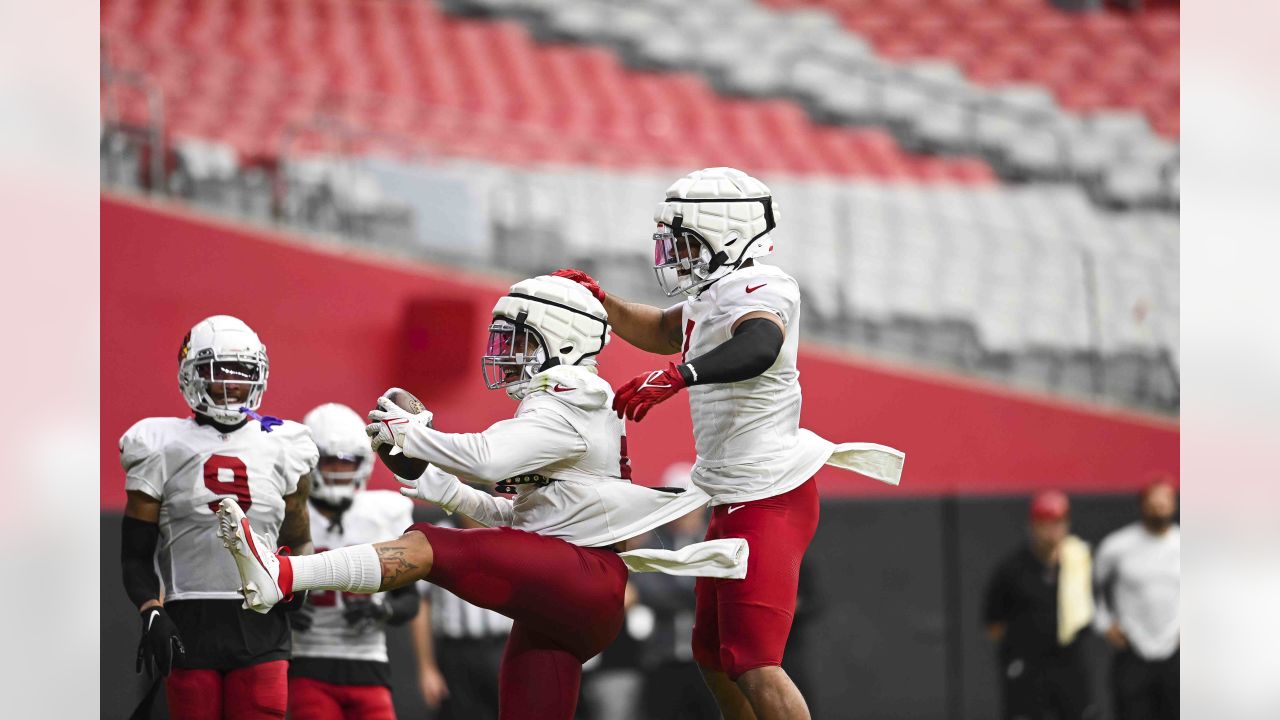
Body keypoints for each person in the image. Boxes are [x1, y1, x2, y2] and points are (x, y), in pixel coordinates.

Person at [216, 275, 748, 720]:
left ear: (560, 339)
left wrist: (413, 433)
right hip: (569, 588)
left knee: (427, 545)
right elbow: (523, 521)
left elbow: (487, 458)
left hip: (581, 577)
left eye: (518, 339)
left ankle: (283, 575)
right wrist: (447, 490)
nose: (504, 352)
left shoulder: (571, 397)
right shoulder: (557, 404)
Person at [551, 166, 905, 720]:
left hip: (769, 492)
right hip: (732, 492)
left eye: (687, 241)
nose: (676, 255)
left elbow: (760, 344)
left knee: (754, 659)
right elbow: (665, 329)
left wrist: (680, 376)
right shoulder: (714, 292)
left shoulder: (765, 286)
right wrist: (603, 303)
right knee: (714, 655)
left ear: (729, 235)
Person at [119, 314, 317, 719]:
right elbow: (135, 555)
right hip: (189, 622)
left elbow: (299, 539)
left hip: (263, 622)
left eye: (242, 373)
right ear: (191, 375)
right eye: (219, 373)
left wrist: (303, 585)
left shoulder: (285, 444)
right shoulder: (159, 444)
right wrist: (150, 609)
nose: (231, 385)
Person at [288, 403, 420, 720]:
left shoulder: (385, 513)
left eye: (348, 462)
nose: (339, 470)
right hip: (307, 660)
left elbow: (409, 601)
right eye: (331, 461)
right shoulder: (289, 512)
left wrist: (382, 610)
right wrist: (285, 608)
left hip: (369, 664)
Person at [984, 491, 1098, 720]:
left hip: (1068, 661)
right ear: (1032, 526)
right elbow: (993, 623)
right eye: (1044, 524)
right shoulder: (1012, 570)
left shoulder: (1078, 563)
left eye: (1057, 523)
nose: (1052, 531)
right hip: (1027, 663)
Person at [410, 513, 513, 720]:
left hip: (504, 648)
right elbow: (422, 603)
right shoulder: (438, 537)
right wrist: (426, 668)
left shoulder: (513, 534)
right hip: (457, 653)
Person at [1093, 478, 1180, 720]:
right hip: (1133, 651)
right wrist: (1104, 623)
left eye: (1165, 502)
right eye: (1153, 502)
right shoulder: (1117, 547)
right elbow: (1092, 587)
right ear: (1142, 505)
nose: (1159, 508)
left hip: (1176, 652)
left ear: (1174, 504)